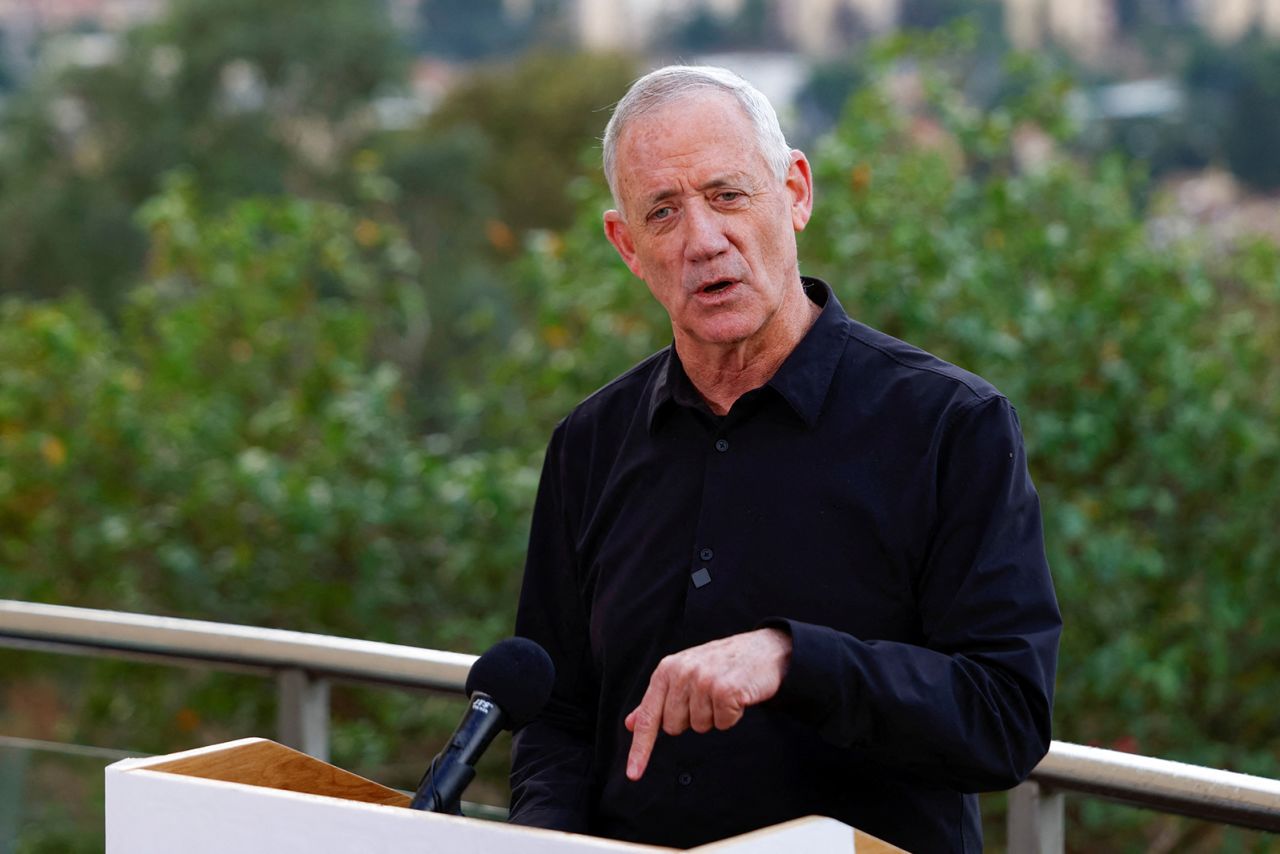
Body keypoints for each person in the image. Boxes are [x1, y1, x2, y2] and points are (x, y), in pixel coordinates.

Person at [508, 64, 1061, 853]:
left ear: (796, 191)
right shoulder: (589, 444)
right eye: (663, 212)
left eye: (728, 195)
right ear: (627, 245)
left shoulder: (950, 425)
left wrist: (794, 659)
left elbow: (1005, 717)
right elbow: (557, 718)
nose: (703, 240)